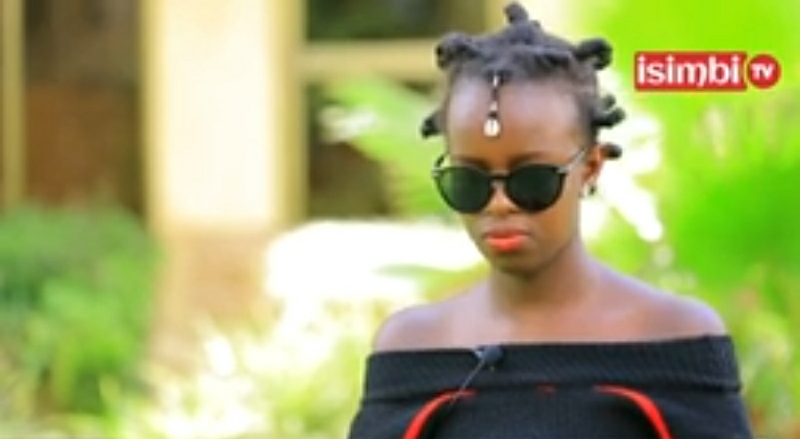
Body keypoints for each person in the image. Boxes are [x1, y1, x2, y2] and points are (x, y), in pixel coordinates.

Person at [346, 3, 755, 438]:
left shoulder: (673, 339)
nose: (500, 204)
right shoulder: (413, 349)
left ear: (591, 168)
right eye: (469, 182)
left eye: (532, 180)